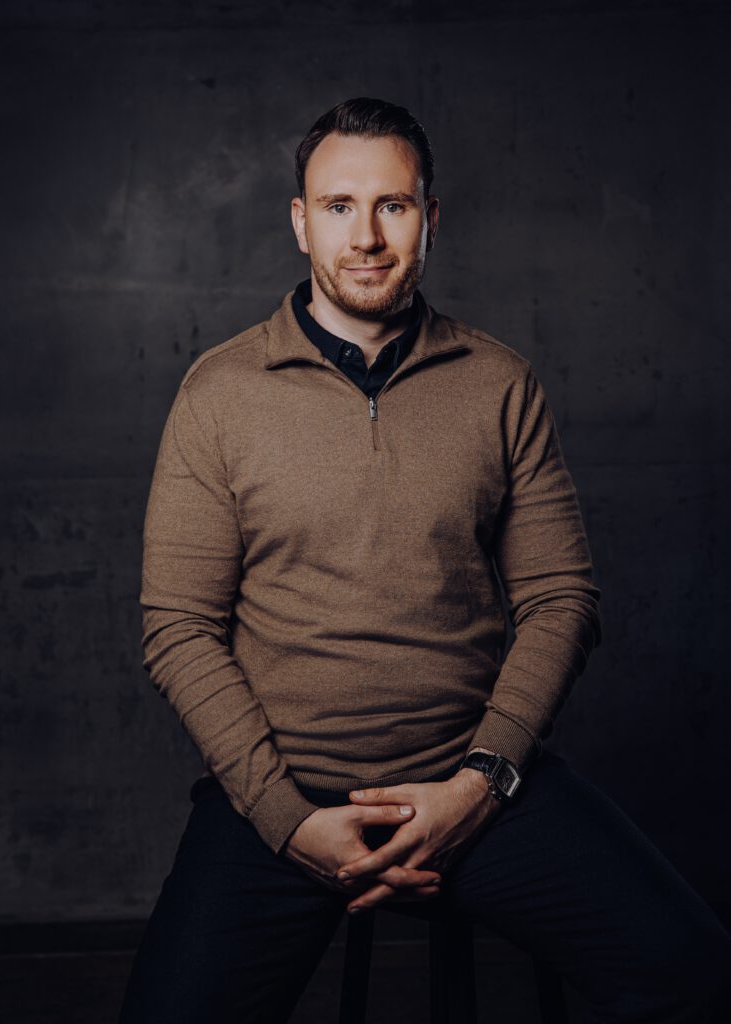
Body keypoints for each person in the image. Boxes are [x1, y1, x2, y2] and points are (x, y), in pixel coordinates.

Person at [119, 97, 730, 1023]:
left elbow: (562, 600)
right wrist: (287, 820)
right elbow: (179, 626)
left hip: (473, 781)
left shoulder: (498, 382)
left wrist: (480, 787)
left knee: (697, 974)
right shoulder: (219, 393)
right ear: (300, 222)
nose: (365, 236)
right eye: (339, 206)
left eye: (392, 206)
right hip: (279, 795)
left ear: (430, 219)